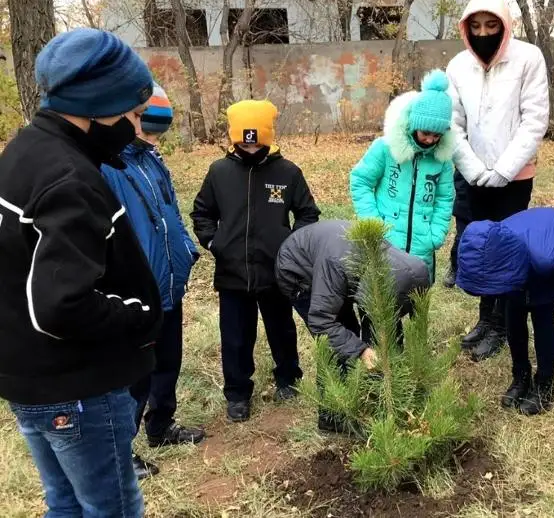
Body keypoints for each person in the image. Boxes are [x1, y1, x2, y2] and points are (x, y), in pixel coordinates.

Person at [0, 28, 162, 517]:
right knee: (110, 509)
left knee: (67, 505)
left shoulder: (23, 152)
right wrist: (138, 313)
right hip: (78, 389)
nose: (137, 128)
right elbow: (61, 304)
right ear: (99, 106)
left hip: (33, 380)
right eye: (133, 114)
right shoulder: (69, 178)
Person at [191, 99, 320, 423]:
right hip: (233, 273)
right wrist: (213, 242)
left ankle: (289, 378)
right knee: (235, 336)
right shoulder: (219, 172)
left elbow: (308, 214)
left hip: (277, 271)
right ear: (235, 139)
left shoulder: (287, 172)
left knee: (282, 329)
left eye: (256, 143)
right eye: (243, 143)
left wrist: (291, 247)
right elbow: (202, 212)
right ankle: (237, 394)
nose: (250, 149)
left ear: (266, 138)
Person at [101, 82, 205, 480]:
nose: (152, 138)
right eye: (147, 128)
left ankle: (161, 426)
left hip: (168, 282)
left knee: (168, 362)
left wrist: (185, 249)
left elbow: (169, 212)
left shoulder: (153, 160)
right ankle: (120, 451)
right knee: (134, 373)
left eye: (160, 130)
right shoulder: (109, 165)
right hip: (135, 289)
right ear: (130, 119)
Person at [446, 0, 550, 361]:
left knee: (504, 250)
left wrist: (504, 169)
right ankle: (486, 319)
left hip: (514, 178)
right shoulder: (458, 66)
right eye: (477, 26)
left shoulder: (528, 58)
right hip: (474, 176)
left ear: (505, 24)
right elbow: (452, 123)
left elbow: (534, 119)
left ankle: (505, 325)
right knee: (479, 247)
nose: (485, 32)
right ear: (467, 27)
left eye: (493, 24)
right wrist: (473, 168)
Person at [274, 220, 431, 431]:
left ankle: (370, 400)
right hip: (299, 271)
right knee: (340, 339)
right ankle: (332, 416)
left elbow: (392, 326)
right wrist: (362, 351)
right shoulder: (337, 265)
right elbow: (321, 322)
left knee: (366, 335)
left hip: (338, 269)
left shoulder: (406, 270)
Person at [456, 208, 554, 415]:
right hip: (520, 259)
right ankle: (520, 375)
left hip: (550, 262)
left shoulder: (552, 256)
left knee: (542, 318)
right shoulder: (492, 245)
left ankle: (545, 383)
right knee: (514, 315)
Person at [350, 69, 455, 278]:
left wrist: (435, 234)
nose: (430, 140)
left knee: (417, 303)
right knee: (380, 305)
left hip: (422, 249)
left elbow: (444, 198)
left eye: (437, 135)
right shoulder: (385, 148)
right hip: (385, 244)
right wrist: (374, 223)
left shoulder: (442, 161)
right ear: (414, 123)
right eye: (426, 133)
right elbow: (360, 181)